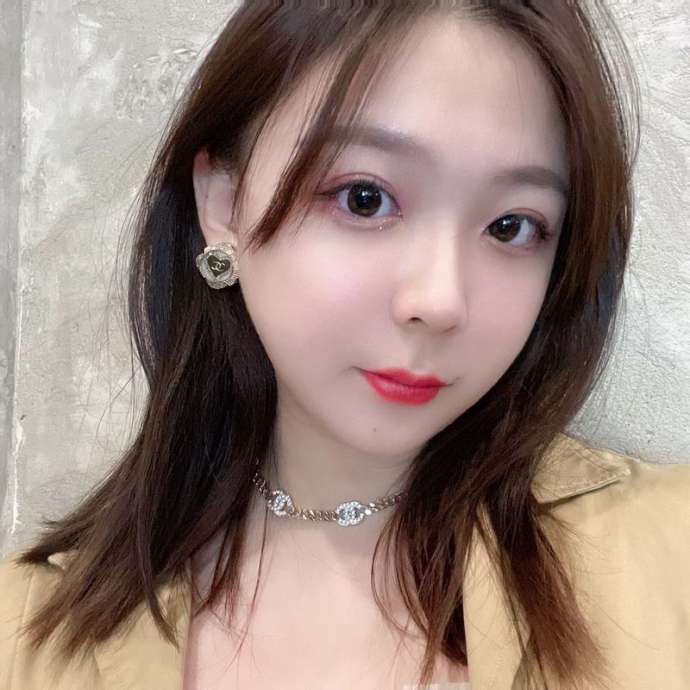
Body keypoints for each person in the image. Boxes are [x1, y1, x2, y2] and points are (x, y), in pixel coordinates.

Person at [1, 1, 689, 688]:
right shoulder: (23, 635)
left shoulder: (667, 554)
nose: (439, 301)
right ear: (223, 204)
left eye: (511, 226)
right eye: (364, 198)